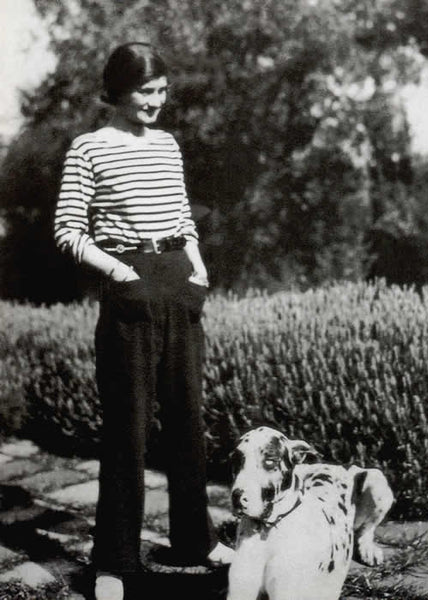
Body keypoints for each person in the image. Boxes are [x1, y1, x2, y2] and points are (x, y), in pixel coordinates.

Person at [54, 42, 234, 600]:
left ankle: (193, 541)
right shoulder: (88, 149)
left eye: (162, 91)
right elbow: (68, 231)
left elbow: (182, 215)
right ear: (116, 90)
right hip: (129, 287)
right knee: (127, 431)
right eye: (145, 91)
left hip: (179, 282)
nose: (157, 102)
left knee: (186, 420)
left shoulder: (167, 145)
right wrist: (120, 272)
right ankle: (114, 561)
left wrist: (198, 268)